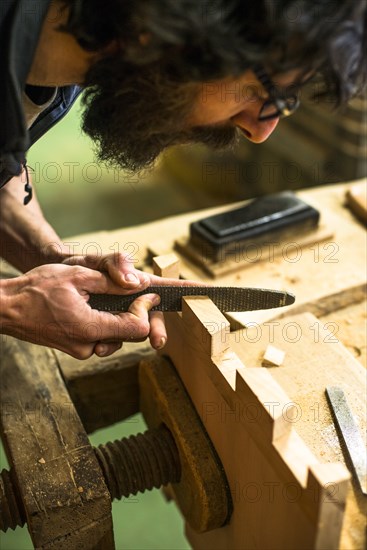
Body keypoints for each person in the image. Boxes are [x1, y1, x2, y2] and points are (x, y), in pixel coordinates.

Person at [0, 0, 366, 359]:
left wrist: (51, 254)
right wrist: (11, 305)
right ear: (171, 32)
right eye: (261, 93)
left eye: (285, 104)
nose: (260, 131)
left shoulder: (74, 48)